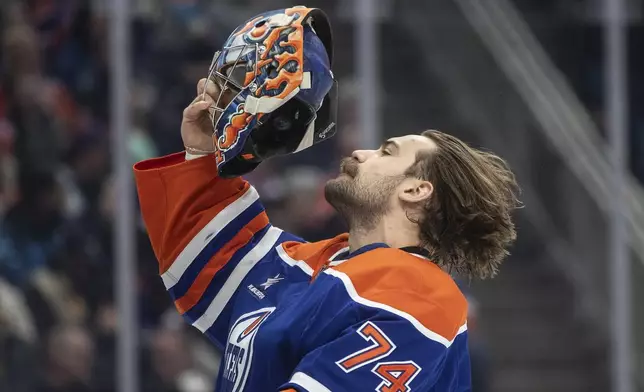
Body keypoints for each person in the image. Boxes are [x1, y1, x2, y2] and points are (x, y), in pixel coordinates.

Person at [134, 6, 520, 391]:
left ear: (416, 191)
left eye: (386, 151)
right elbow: (204, 263)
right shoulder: (315, 265)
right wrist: (202, 156)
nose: (362, 154)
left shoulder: (418, 292)